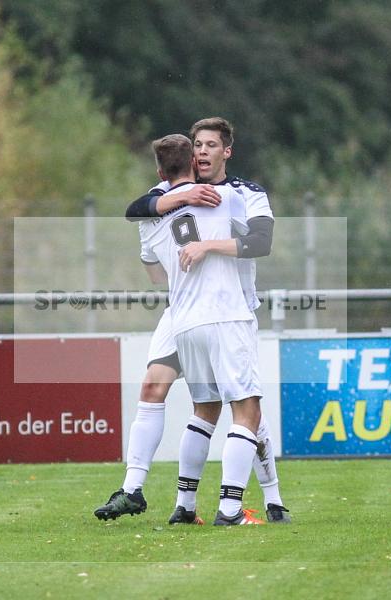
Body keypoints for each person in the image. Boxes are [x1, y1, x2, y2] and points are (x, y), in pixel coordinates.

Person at [94, 118, 289, 524]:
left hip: (227, 306)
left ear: (226, 151)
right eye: (197, 144)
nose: (202, 151)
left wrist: (204, 246)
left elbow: (261, 242)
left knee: (229, 407)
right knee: (232, 405)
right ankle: (210, 506)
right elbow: (137, 210)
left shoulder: (241, 194)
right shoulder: (168, 196)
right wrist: (172, 201)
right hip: (195, 312)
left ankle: (269, 499)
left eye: (211, 145)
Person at [140, 134, 264, 525]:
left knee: (204, 410)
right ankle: (229, 510)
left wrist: (174, 200)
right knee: (247, 412)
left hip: (185, 322)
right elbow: (261, 240)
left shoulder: (154, 217)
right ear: (193, 163)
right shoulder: (227, 197)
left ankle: (185, 506)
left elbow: (152, 262)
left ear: (161, 174)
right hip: (225, 316)